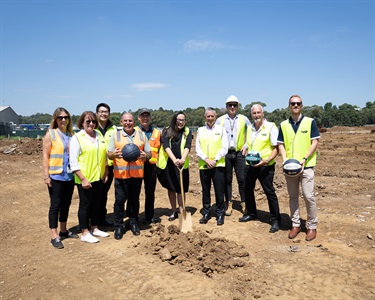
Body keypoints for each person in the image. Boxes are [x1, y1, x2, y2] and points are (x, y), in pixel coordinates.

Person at [278, 94, 320, 241]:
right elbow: (280, 144)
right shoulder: (283, 125)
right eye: (293, 103)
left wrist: (303, 160)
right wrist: (284, 160)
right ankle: (295, 224)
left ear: (301, 105)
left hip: (306, 166)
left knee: (309, 196)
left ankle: (312, 226)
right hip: (290, 167)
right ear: (289, 106)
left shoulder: (310, 122)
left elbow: (315, 142)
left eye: (298, 103)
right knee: (293, 196)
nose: (295, 105)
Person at [107, 112, 151, 240]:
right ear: (121, 122)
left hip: (137, 175)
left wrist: (145, 156)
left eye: (130, 121)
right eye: (125, 121)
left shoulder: (142, 136)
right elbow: (109, 154)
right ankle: (119, 226)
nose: (128, 123)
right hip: (121, 175)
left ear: (134, 122)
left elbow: (149, 154)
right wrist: (113, 155)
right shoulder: (115, 136)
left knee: (134, 200)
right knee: (120, 201)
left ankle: (133, 223)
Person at [239, 104, 281, 233]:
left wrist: (266, 160)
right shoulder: (250, 127)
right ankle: (251, 213)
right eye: (254, 113)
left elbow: (276, 148)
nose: (256, 115)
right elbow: (250, 141)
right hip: (251, 165)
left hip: (265, 166)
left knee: (269, 192)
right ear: (251, 115)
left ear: (262, 113)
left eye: (258, 113)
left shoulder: (271, 127)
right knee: (247, 189)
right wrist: (245, 146)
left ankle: (275, 220)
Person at [70, 111, 109, 243]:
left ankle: (94, 228)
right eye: (88, 121)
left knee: (96, 204)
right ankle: (84, 232)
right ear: (82, 123)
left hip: (98, 177)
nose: (91, 124)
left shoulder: (98, 135)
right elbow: (73, 162)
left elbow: (103, 154)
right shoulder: (77, 138)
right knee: (85, 205)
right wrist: (83, 179)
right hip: (85, 178)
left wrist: (106, 171)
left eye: (93, 121)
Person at [43, 107, 78, 249]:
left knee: (66, 204)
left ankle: (63, 230)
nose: (63, 120)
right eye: (60, 118)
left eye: (66, 117)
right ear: (55, 119)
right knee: (55, 205)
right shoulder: (50, 134)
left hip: (69, 176)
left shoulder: (71, 135)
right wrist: (46, 176)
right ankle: (54, 235)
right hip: (56, 176)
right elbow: (45, 156)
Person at [216, 95, 251, 216]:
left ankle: (244, 202)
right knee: (227, 180)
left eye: (234, 105)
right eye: (230, 105)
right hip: (226, 154)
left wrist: (246, 145)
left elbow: (252, 134)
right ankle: (229, 203)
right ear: (226, 106)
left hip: (239, 153)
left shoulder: (243, 119)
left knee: (242, 179)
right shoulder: (220, 120)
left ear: (237, 106)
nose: (232, 107)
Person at [157, 111, 192, 221]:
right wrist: (174, 160)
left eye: (182, 120)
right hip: (170, 164)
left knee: (181, 189)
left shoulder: (187, 131)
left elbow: (188, 146)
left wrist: (182, 159)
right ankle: (174, 211)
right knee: (171, 188)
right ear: (174, 120)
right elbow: (166, 146)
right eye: (178, 119)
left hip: (182, 164)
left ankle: (182, 211)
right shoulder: (166, 131)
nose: (180, 122)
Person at [196, 107, 228, 225]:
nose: (210, 118)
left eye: (212, 116)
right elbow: (198, 148)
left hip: (218, 165)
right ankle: (206, 212)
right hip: (204, 166)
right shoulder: (200, 130)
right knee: (206, 190)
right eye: (208, 116)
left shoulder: (221, 129)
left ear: (215, 117)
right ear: (205, 117)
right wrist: (206, 159)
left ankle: (220, 213)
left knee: (219, 191)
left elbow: (225, 147)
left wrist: (214, 159)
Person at [136, 108, 161, 224]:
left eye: (147, 116)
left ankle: (149, 216)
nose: (145, 118)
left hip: (151, 167)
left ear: (150, 118)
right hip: (137, 166)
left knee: (150, 192)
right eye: (142, 116)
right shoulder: (134, 131)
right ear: (138, 118)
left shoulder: (157, 132)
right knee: (134, 193)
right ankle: (134, 217)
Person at [95, 103, 118, 228]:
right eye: (101, 111)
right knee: (92, 194)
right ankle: (90, 220)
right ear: (97, 113)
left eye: (106, 112)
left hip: (109, 167)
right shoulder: (91, 127)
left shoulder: (113, 129)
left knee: (103, 193)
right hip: (93, 166)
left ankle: (101, 219)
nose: (103, 114)